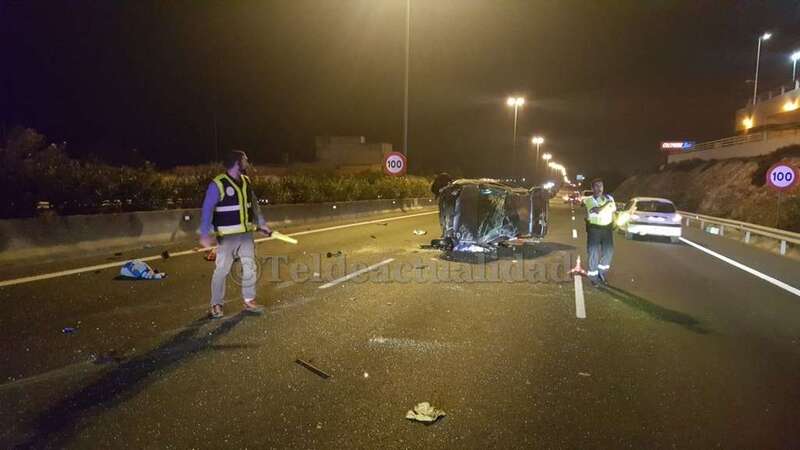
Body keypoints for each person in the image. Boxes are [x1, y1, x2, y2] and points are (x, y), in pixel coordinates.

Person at [199, 150, 272, 319]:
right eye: (245, 159)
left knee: (250, 268)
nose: (247, 161)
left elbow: (253, 205)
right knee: (222, 270)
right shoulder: (218, 183)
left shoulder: (246, 181)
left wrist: (261, 224)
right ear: (237, 162)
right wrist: (205, 234)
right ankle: (216, 304)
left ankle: (249, 300)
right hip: (227, 237)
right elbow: (207, 209)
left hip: (246, 235)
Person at [583, 178, 616, 286]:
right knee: (593, 253)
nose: (599, 188)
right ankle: (593, 277)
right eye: (596, 186)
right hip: (594, 229)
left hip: (607, 229)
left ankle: (601, 273)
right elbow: (596, 210)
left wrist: (615, 223)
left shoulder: (609, 198)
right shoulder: (588, 200)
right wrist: (608, 204)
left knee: (608, 252)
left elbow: (613, 212)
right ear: (592, 188)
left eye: (601, 186)